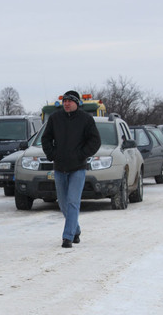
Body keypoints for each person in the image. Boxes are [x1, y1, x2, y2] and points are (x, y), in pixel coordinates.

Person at [41, 90, 101, 248]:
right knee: (63, 203)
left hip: (78, 168)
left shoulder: (86, 119)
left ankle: (67, 237)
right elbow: (46, 138)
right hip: (60, 167)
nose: (66, 103)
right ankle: (75, 229)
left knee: (73, 202)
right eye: (65, 101)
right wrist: (52, 154)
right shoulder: (55, 118)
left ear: (77, 103)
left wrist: (82, 154)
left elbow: (95, 141)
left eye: (70, 101)